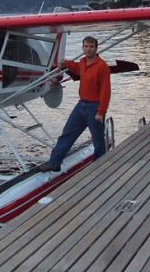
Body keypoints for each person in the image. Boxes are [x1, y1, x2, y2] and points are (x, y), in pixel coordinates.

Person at [38, 35, 111, 172]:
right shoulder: (83, 62)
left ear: (96, 48)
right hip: (81, 106)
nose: (88, 49)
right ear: (82, 48)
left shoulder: (102, 66)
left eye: (91, 46)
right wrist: (65, 63)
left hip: (94, 108)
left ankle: (98, 168)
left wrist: (101, 112)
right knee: (67, 134)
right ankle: (54, 163)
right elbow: (76, 68)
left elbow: (105, 92)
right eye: (86, 46)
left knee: (98, 141)